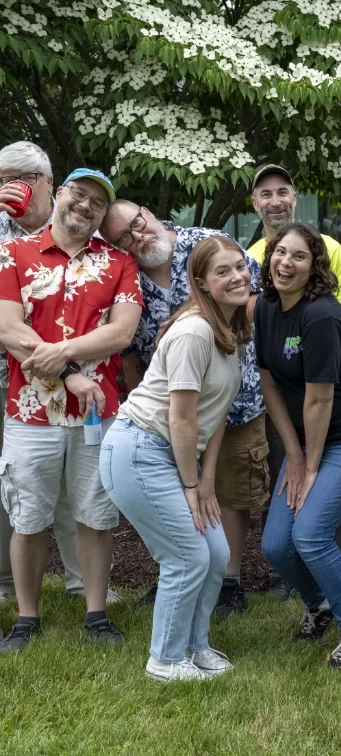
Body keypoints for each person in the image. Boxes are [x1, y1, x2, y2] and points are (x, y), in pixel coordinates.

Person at [100, 199, 265, 620]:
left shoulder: (205, 245)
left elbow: (252, 300)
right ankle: (181, 570)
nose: (137, 235)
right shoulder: (127, 277)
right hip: (173, 417)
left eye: (137, 223)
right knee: (181, 499)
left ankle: (229, 580)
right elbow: (136, 357)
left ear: (148, 212)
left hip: (236, 397)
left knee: (228, 491)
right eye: (124, 236)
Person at [0, 168, 143, 653]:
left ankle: (97, 615)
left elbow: (121, 332)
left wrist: (61, 354)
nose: (84, 207)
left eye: (96, 204)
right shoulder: (14, 253)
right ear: (58, 194)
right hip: (29, 412)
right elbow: (8, 329)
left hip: (95, 415)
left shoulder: (120, 263)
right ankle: (26, 617)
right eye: (78, 196)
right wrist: (69, 375)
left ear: (103, 216)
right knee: (29, 517)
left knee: (95, 514)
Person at [256, 223, 341, 667]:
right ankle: (320, 605)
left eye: (298, 256)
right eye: (280, 253)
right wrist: (294, 456)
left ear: (315, 266)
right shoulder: (266, 309)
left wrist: (310, 467)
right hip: (311, 439)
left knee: (311, 534)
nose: (285, 263)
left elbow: (320, 397)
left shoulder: (321, 315)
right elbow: (269, 383)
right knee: (277, 545)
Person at [246, 164, 341, 603]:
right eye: (266, 194)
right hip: (284, 391)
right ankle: (289, 575)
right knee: (284, 475)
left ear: (294, 197)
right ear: (254, 204)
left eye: (283, 192)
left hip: (327, 388)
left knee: (333, 492)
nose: (275, 200)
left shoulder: (327, 246)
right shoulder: (253, 254)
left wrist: (338, 371)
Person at [0, 142, 100, 608]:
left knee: (70, 488)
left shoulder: (77, 228)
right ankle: (8, 584)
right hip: (10, 378)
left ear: (47, 183)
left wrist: (66, 372)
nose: (10, 186)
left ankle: (82, 584)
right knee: (18, 482)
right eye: (2, 178)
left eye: (20, 176)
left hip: (59, 374)